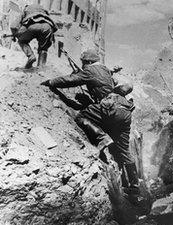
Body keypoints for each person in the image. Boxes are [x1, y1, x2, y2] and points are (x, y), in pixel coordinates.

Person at [40, 49, 140, 197]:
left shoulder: (90, 70)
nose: (83, 66)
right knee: (124, 151)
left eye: (84, 63)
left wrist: (51, 82)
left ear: (88, 62)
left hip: (110, 107)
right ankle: (134, 186)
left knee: (81, 116)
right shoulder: (104, 69)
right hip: (125, 111)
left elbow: (70, 81)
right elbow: (103, 77)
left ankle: (102, 137)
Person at [10, 4, 57, 68]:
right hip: (47, 27)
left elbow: (13, 26)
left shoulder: (26, 10)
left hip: (31, 26)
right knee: (43, 48)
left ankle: (31, 56)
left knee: (22, 41)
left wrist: (15, 35)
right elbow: (53, 26)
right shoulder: (43, 11)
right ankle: (41, 67)